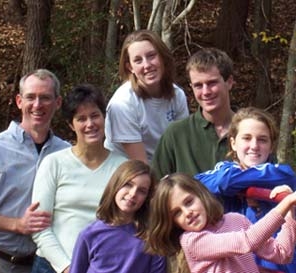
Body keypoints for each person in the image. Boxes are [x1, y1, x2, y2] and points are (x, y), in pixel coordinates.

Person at [0, 69, 70, 273]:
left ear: (58, 103)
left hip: (38, 266)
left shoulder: (66, 153)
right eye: (31, 97)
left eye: (45, 97)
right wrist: (17, 224)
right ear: (19, 101)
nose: (37, 105)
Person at [31, 84, 127, 273]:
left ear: (104, 117)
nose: (90, 124)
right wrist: (67, 267)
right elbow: (39, 227)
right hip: (52, 266)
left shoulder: (122, 167)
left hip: (102, 266)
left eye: (94, 115)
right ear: (70, 125)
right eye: (81, 119)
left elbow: (127, 223)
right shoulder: (54, 163)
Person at [194, 107, 296, 272]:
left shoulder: (281, 173)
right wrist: (238, 182)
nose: (254, 146)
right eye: (247, 138)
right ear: (233, 143)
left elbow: (224, 182)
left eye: (262, 140)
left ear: (271, 147)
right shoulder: (224, 171)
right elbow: (197, 184)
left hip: (278, 265)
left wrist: (234, 184)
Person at [146, 173, 296, 273]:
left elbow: (282, 254)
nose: (187, 212)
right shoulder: (193, 241)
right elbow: (248, 241)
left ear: (201, 195)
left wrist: (290, 211)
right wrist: (286, 202)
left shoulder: (236, 219)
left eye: (189, 202)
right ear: (173, 222)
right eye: (177, 213)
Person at [104, 29, 189, 163]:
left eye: (151, 56)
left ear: (162, 57)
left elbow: (182, 147)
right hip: (128, 174)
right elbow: (140, 164)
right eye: (138, 60)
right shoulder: (122, 104)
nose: (147, 65)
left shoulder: (177, 95)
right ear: (130, 67)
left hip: (164, 169)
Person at [69, 159, 166, 273]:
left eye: (142, 191)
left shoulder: (151, 237)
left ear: (147, 198)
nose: (133, 194)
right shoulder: (89, 235)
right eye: (128, 185)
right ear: (116, 185)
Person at [152, 47, 235, 179]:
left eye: (212, 83)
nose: (206, 92)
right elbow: (156, 187)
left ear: (229, 82)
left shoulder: (250, 131)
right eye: (198, 85)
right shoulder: (176, 134)